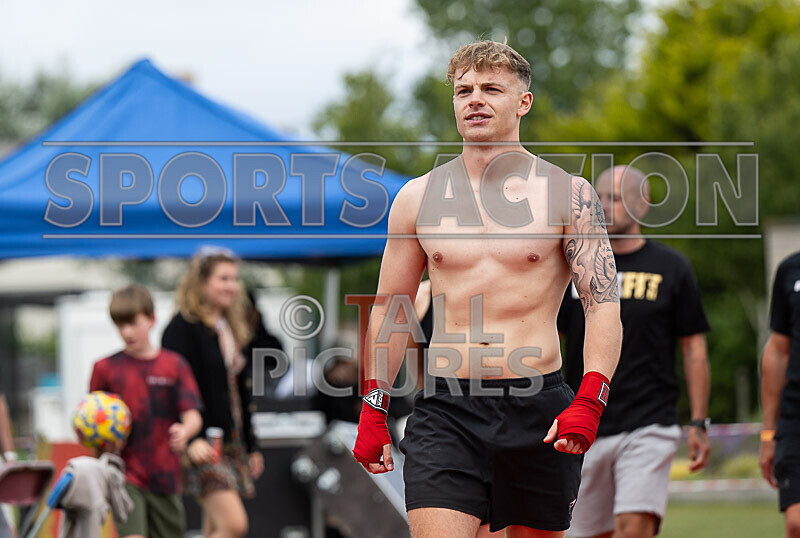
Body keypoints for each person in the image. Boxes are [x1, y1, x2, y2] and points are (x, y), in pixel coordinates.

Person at [352, 40, 622, 537]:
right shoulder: (416, 197)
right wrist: (373, 405)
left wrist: (591, 397)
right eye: (464, 90)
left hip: (538, 406)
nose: (474, 99)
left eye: (491, 89)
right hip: (447, 408)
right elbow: (392, 307)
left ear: (523, 102)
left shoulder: (568, 195)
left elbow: (602, 304)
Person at [558, 165, 712, 538]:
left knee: (632, 527)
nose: (604, 207)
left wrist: (698, 421)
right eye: (598, 199)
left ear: (642, 204)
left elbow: (693, 349)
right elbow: (550, 340)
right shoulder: (573, 269)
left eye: (615, 198)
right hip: (586, 422)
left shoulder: (671, 268)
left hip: (649, 421)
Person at [161, 247, 264, 538]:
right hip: (201, 442)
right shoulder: (182, 328)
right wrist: (190, 439)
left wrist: (252, 445)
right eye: (223, 278)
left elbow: (239, 393)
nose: (232, 286)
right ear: (202, 282)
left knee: (216, 528)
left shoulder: (229, 326)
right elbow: (170, 390)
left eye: (234, 279)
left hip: (230, 441)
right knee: (233, 525)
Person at [89, 284, 203, 538]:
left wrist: (185, 431)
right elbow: (91, 420)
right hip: (124, 473)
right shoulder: (105, 368)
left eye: (132, 323)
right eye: (120, 325)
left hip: (165, 475)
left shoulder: (174, 365)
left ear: (152, 319)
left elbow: (193, 415)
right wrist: (102, 442)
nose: (126, 332)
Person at [760, 250, 800, 537]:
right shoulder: (790, 269)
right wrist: (768, 434)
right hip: (795, 416)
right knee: (796, 523)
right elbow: (777, 351)